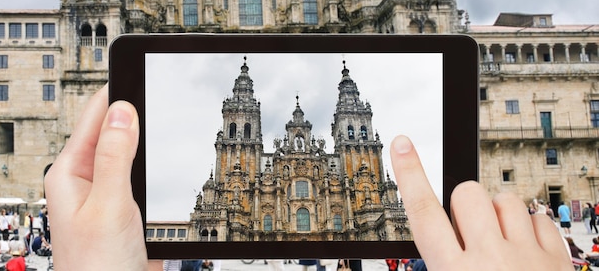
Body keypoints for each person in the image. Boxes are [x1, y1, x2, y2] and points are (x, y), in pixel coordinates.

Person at [44, 86, 573, 270]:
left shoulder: (334, 166)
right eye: (239, 123)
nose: (240, 130)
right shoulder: (259, 170)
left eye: (356, 125)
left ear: (354, 124)